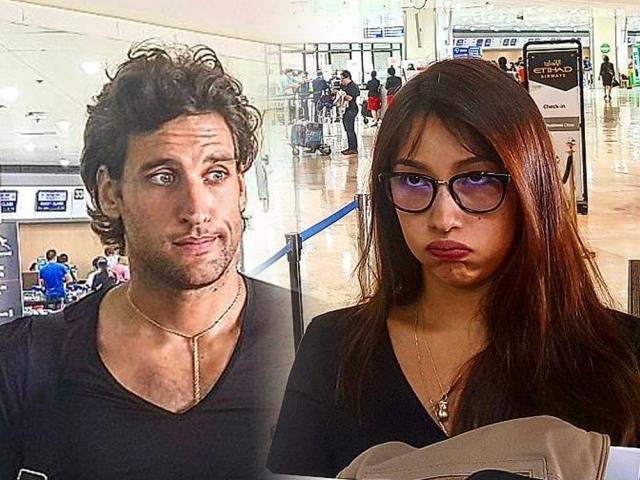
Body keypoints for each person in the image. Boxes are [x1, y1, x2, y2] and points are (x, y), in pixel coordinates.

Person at [267, 58, 640, 478]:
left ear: (530, 184)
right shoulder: (334, 351)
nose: (444, 218)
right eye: (413, 180)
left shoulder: (622, 360)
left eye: (477, 179)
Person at [0, 43, 294, 480]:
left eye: (216, 174)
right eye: (163, 176)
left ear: (241, 187)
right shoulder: (21, 366)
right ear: (110, 193)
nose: (196, 209)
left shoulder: (325, 348)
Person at [340, 70, 360, 156]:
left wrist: (343, 96)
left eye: (342, 78)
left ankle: (353, 148)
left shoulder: (353, 86)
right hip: (347, 109)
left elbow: (352, 97)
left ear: (347, 77)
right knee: (348, 129)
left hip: (352, 109)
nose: (341, 80)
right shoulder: (345, 86)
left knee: (350, 129)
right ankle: (350, 147)